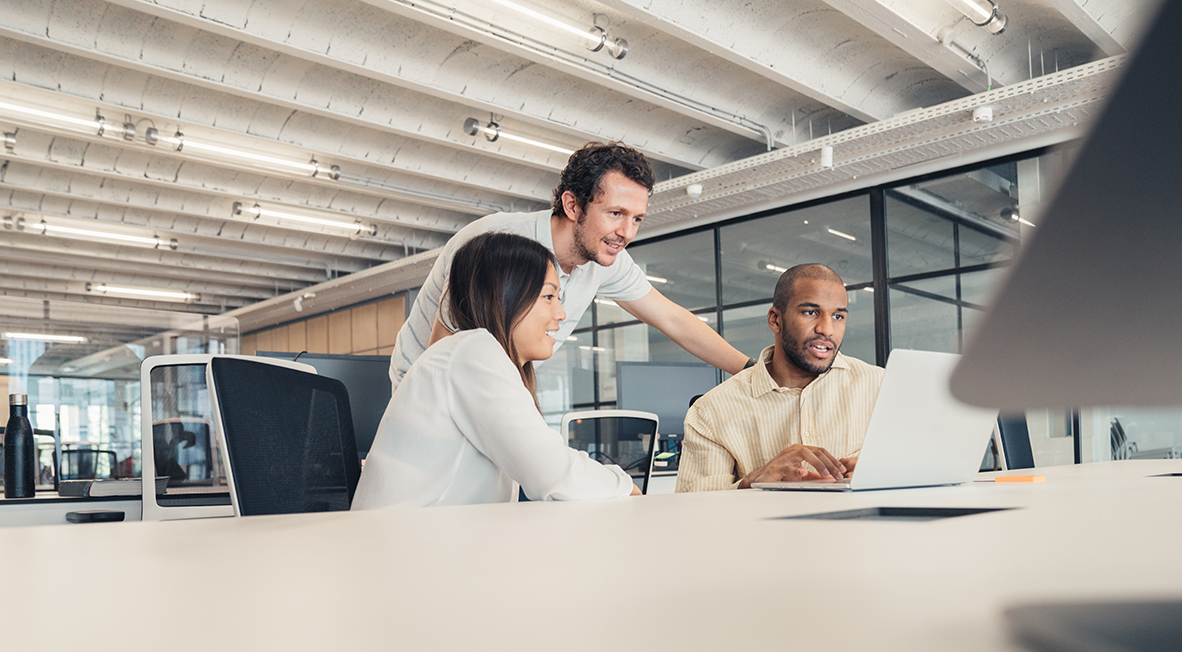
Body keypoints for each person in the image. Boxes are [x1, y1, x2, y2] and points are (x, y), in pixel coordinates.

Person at [389, 142, 751, 389]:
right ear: (573, 205)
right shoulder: (496, 244)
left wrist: (753, 372)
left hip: (502, 389)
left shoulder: (605, 259)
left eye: (637, 219)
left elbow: (672, 319)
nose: (626, 232)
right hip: (427, 385)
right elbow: (440, 357)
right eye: (615, 214)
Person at [353, 232, 639, 510]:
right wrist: (626, 486)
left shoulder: (475, 355)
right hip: (403, 549)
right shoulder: (471, 350)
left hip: (425, 543)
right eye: (549, 297)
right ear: (506, 296)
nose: (561, 314)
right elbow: (551, 472)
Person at [675, 264, 885, 492]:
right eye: (810, 312)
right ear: (775, 319)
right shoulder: (711, 411)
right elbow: (693, 513)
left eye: (838, 316)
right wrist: (752, 483)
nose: (827, 329)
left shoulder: (881, 387)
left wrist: (885, 470)